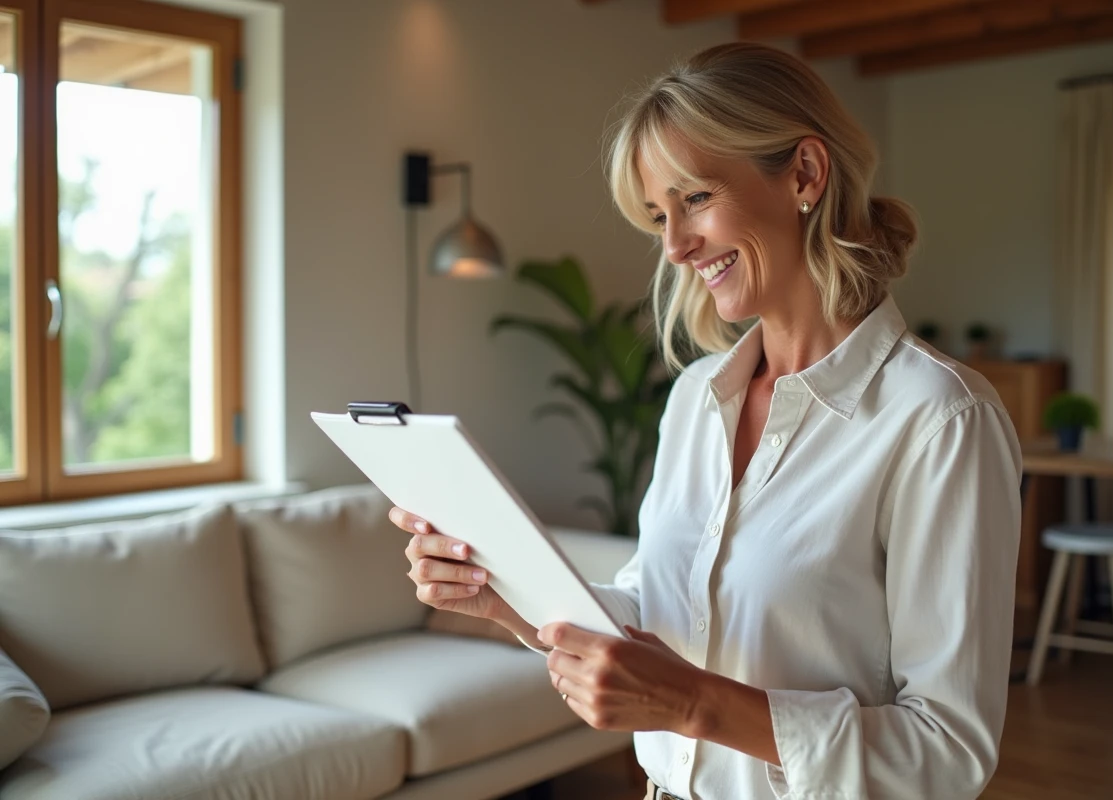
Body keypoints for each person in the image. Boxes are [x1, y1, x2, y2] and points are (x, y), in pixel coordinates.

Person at [390, 42, 1021, 800]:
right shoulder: (696, 397)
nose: (675, 246)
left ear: (806, 175)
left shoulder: (940, 421)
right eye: (660, 214)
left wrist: (692, 703)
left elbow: (946, 750)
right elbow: (656, 608)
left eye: (694, 199)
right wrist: (501, 596)